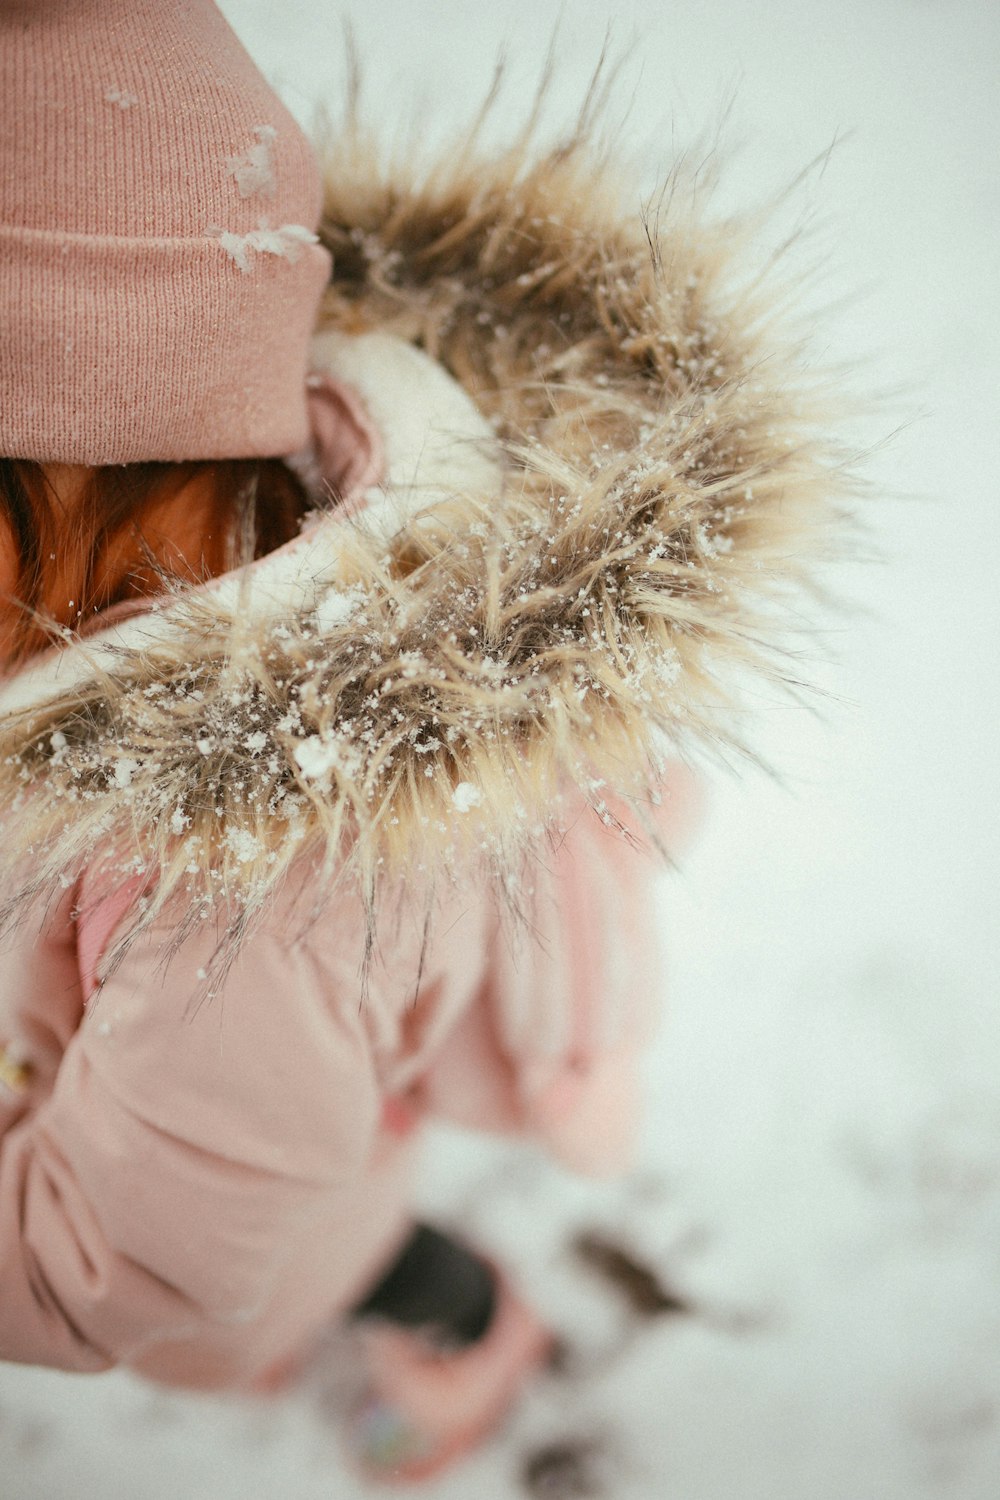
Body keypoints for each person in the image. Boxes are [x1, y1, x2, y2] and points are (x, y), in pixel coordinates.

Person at [0, 0, 836, 1483]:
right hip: (188, 1102)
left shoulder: (249, 891)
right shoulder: (98, 623)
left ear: (117, 468)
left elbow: (105, 1266)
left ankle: (472, 1341)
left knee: (338, 1265)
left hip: (234, 1188)